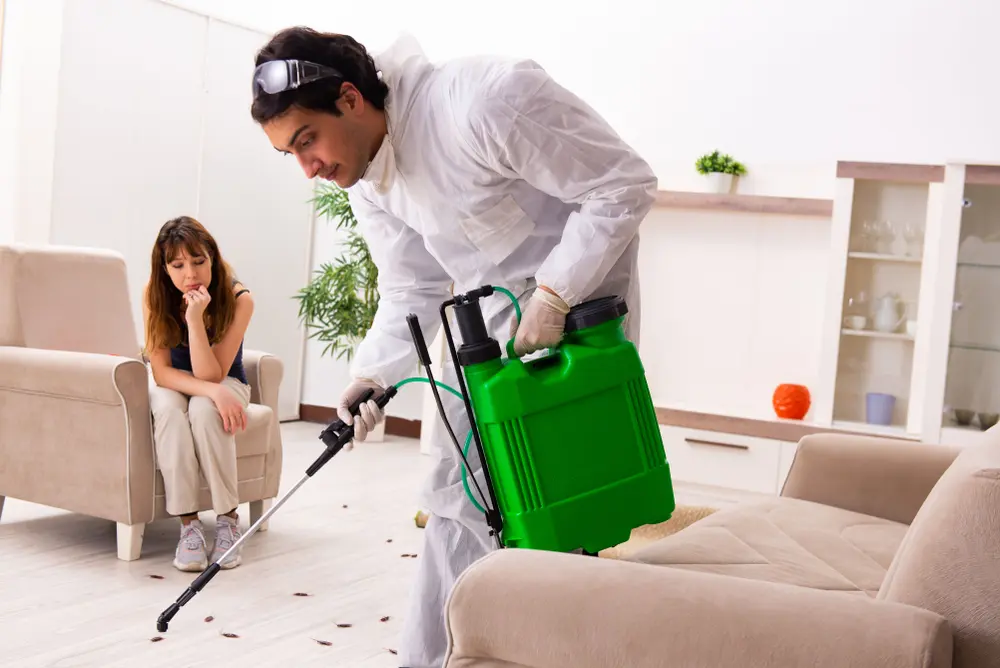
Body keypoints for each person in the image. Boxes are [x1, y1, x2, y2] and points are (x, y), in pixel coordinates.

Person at [249, 27, 657, 667]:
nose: (309, 168)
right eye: (289, 154)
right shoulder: (365, 175)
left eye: (307, 141)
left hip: (575, 320)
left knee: (556, 512)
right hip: (482, 332)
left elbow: (621, 184)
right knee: (452, 497)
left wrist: (555, 292)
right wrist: (372, 375)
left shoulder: (486, 100)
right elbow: (413, 281)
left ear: (351, 99)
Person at [144, 216, 255, 573]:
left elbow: (213, 373)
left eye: (198, 261)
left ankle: (227, 520)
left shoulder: (239, 299)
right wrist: (209, 391)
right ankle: (189, 526)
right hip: (174, 382)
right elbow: (160, 372)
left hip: (225, 380)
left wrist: (195, 319)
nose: (190, 274)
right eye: (177, 265)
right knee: (169, 413)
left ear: (213, 257)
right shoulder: (154, 295)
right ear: (165, 269)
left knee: (207, 411)